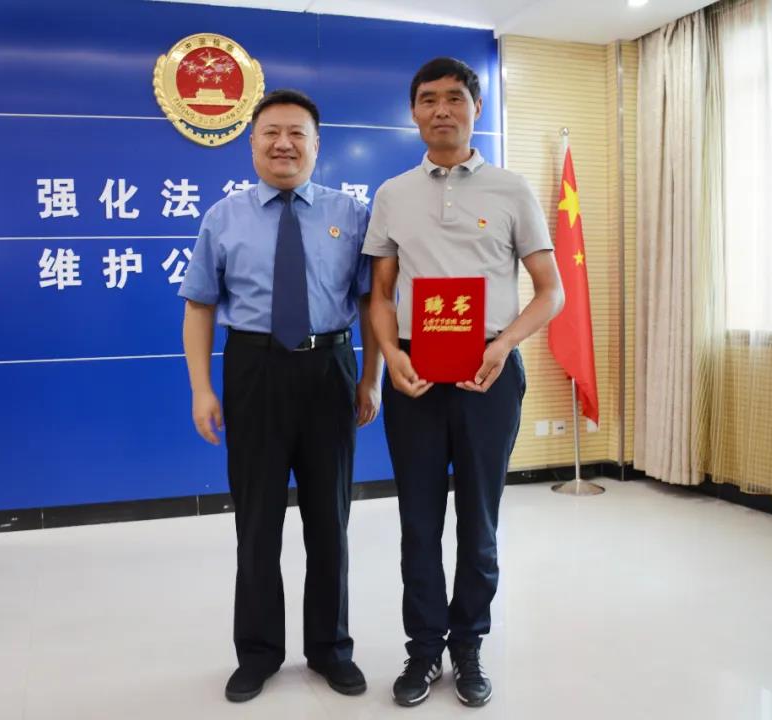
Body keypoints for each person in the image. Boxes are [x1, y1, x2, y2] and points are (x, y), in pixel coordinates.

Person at [363, 57, 564, 708]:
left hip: (489, 370)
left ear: (476, 108)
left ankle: (469, 646)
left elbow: (551, 290)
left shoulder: (511, 189)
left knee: (479, 520)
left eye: (455, 98)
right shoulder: (393, 194)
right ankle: (424, 650)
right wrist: (390, 354)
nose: (441, 109)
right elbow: (381, 294)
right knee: (418, 521)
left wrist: (504, 344)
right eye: (428, 99)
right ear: (413, 112)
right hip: (416, 372)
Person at [178, 89, 383, 703]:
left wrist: (370, 377)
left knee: (330, 521)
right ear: (253, 144)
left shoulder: (351, 213)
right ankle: (259, 652)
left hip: (329, 368)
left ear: (317, 145)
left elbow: (371, 302)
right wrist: (201, 389)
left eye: (297, 134)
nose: (284, 144)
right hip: (254, 370)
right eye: (271, 133)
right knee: (257, 522)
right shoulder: (223, 217)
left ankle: (331, 649)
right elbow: (199, 306)